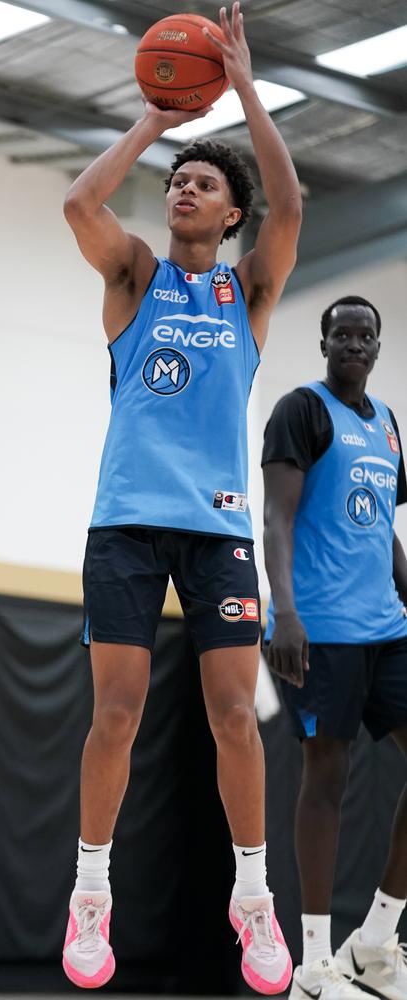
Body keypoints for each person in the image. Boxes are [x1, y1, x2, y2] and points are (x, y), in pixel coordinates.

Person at [61, 2, 302, 991]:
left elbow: (289, 209)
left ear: (228, 210)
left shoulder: (241, 291)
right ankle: (89, 892)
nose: (182, 190)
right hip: (123, 526)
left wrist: (240, 86)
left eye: (200, 182)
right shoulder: (134, 275)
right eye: (176, 182)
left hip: (216, 532)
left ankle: (253, 900)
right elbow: (80, 205)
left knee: (232, 717)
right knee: (114, 714)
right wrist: (156, 121)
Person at [263, 295, 407, 1000]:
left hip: (387, 627)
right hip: (319, 628)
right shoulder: (301, 409)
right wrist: (284, 610)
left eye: (365, 335)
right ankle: (314, 965)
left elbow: (383, 529)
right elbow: (277, 518)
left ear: (379, 346)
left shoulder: (387, 424)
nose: (353, 343)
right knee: (327, 780)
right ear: (324, 340)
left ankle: (376, 940)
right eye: (342, 333)